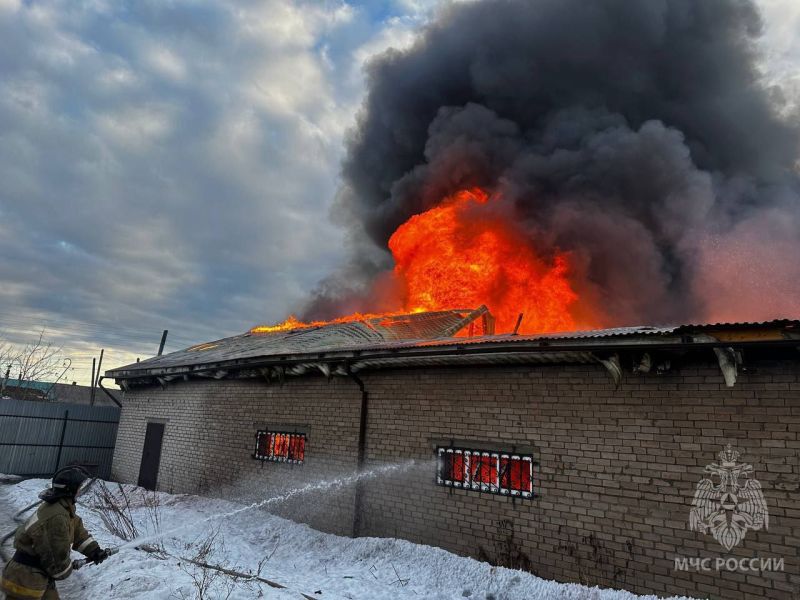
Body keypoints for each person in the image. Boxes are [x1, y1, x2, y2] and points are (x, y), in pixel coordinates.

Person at [1, 467, 111, 599]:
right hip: (26, 580)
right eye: (79, 487)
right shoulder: (57, 517)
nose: (80, 490)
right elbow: (56, 563)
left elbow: (76, 529)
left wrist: (94, 550)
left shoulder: (63, 508)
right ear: (70, 490)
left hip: (37, 575)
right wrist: (68, 568)